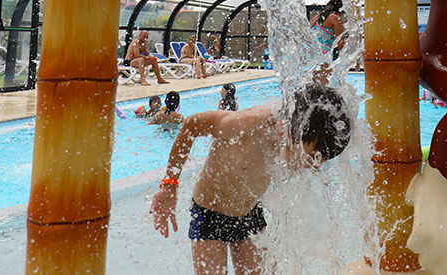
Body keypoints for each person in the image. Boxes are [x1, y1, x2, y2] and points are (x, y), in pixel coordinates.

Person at [150, 85, 353, 275]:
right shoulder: (246, 125)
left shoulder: (290, 141)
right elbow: (191, 125)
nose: (310, 166)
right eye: (310, 157)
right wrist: (170, 185)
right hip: (209, 212)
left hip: (250, 213)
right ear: (295, 131)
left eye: (317, 162)